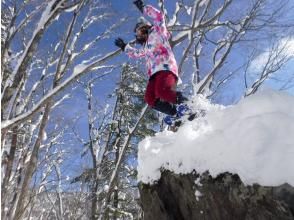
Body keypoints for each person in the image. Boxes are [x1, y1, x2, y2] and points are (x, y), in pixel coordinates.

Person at [114, 0, 191, 125]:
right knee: (150, 99)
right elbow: (136, 54)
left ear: (146, 27)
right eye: (137, 33)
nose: (139, 34)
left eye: (140, 30)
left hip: (166, 67)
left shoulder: (158, 31)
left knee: (162, 91)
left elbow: (159, 17)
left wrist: (144, 8)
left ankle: (188, 105)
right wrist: (124, 47)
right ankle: (176, 114)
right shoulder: (145, 48)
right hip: (154, 74)